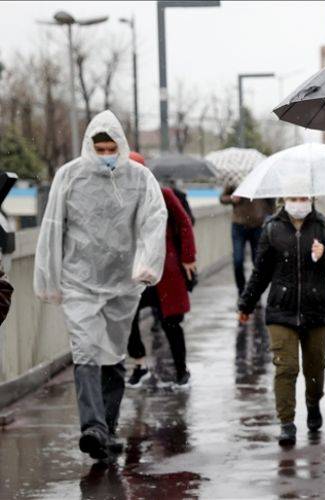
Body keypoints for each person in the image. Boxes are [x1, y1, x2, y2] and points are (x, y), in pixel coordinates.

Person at [34, 110, 167, 462]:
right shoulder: (70, 176)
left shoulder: (139, 179)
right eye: (100, 148)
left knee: (113, 354)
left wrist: (146, 264)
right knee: (85, 351)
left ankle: (106, 429)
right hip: (79, 281)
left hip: (122, 282)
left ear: (121, 146)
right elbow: (52, 226)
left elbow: (155, 220)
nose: (106, 154)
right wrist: (50, 276)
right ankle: (92, 426)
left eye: (111, 147)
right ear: (89, 147)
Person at [237, 196, 325, 447]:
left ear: (312, 199)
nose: (299, 202)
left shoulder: (324, 226)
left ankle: (313, 402)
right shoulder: (272, 228)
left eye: (304, 197)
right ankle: (286, 422)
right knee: (286, 368)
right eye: (294, 198)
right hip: (281, 310)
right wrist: (246, 304)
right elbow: (260, 271)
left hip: (316, 310)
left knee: (315, 366)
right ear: (285, 200)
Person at [126, 152, 197, 388]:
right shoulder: (120, 199)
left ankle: (181, 370)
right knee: (126, 318)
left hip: (166, 269)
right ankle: (139, 363)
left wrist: (188, 258)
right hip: (135, 270)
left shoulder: (163, 194)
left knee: (171, 322)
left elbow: (185, 223)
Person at [220, 184, 274, 296]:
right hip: (238, 226)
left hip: (258, 227)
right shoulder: (235, 180)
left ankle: (255, 293)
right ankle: (242, 291)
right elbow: (222, 198)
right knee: (238, 261)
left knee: (258, 263)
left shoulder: (262, 180)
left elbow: (272, 202)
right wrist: (232, 198)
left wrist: (269, 218)